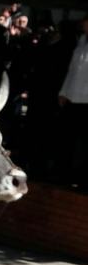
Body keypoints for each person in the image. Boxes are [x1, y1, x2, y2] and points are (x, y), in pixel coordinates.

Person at [58, 15, 88, 191]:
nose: (83, 24)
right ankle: (67, 174)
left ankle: (82, 178)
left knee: (84, 143)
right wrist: (63, 91)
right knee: (69, 138)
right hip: (72, 98)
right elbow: (72, 70)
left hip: (86, 100)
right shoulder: (81, 42)